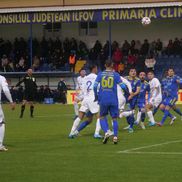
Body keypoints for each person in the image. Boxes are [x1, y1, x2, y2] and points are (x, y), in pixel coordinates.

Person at [93, 60, 127, 144]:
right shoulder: (115, 75)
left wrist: (96, 96)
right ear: (112, 65)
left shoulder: (100, 74)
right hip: (113, 99)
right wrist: (127, 93)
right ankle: (115, 137)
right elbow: (122, 86)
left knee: (101, 117)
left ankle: (107, 131)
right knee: (114, 118)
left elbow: (94, 86)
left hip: (103, 99)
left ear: (105, 65)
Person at [69, 65, 101, 139]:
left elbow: (83, 91)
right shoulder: (97, 77)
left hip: (86, 99)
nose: (97, 69)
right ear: (94, 68)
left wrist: (79, 98)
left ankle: (71, 133)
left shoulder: (85, 78)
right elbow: (99, 89)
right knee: (99, 116)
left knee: (80, 117)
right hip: (93, 99)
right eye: (96, 68)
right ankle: (96, 133)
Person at [0, 75, 15, 151]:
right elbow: (6, 90)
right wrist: (11, 101)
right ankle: (0, 145)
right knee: (1, 123)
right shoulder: (1, 78)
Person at [123, 68, 141, 133]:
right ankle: (130, 123)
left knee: (130, 112)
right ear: (129, 73)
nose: (133, 72)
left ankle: (131, 127)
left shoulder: (138, 80)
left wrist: (132, 95)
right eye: (131, 71)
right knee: (127, 113)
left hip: (133, 98)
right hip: (125, 97)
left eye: (134, 71)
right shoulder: (125, 78)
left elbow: (138, 90)